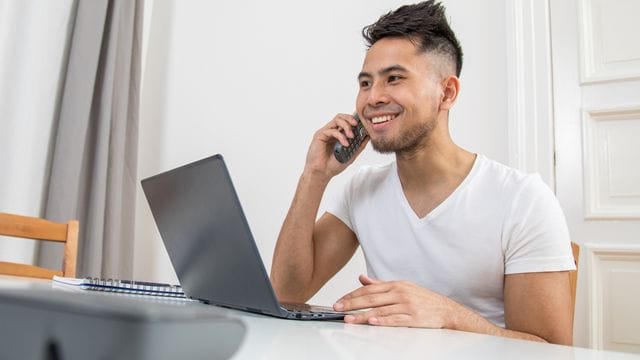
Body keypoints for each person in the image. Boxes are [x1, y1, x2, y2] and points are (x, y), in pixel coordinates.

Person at [270, 0, 575, 345]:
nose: (373, 98)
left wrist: (448, 315)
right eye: (366, 83)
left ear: (447, 92)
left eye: (394, 79)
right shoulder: (361, 188)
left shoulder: (523, 199)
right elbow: (285, 293)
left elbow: (552, 350)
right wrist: (315, 175)